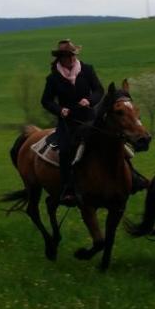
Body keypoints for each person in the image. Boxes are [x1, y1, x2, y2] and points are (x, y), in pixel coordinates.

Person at [41, 39, 104, 205]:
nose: (69, 59)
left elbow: (99, 90)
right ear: (60, 58)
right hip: (68, 122)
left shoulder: (87, 70)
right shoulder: (53, 78)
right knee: (66, 150)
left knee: (110, 141)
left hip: (89, 118)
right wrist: (60, 110)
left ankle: (132, 177)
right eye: (65, 57)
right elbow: (46, 101)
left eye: (71, 56)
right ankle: (68, 189)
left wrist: (89, 100)